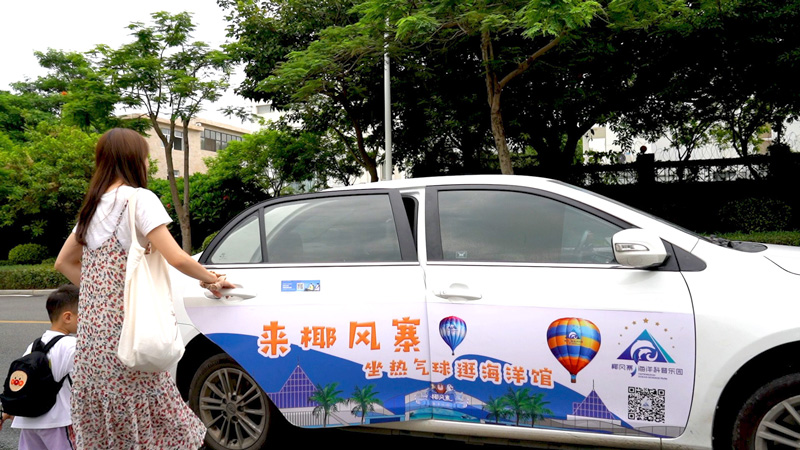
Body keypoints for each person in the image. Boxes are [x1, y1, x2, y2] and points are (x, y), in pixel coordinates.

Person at [54, 128, 234, 449]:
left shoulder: (92, 207)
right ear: (133, 159)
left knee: (109, 427)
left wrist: (103, 294)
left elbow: (64, 262)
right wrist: (212, 279)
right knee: (152, 417)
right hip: (130, 333)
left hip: (93, 342)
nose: (148, 164)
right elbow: (177, 257)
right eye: (146, 157)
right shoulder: (139, 199)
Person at [0, 285, 79, 450]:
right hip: (58, 421)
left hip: (28, 423)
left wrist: (7, 411)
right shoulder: (72, 346)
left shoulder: (34, 345)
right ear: (67, 317)